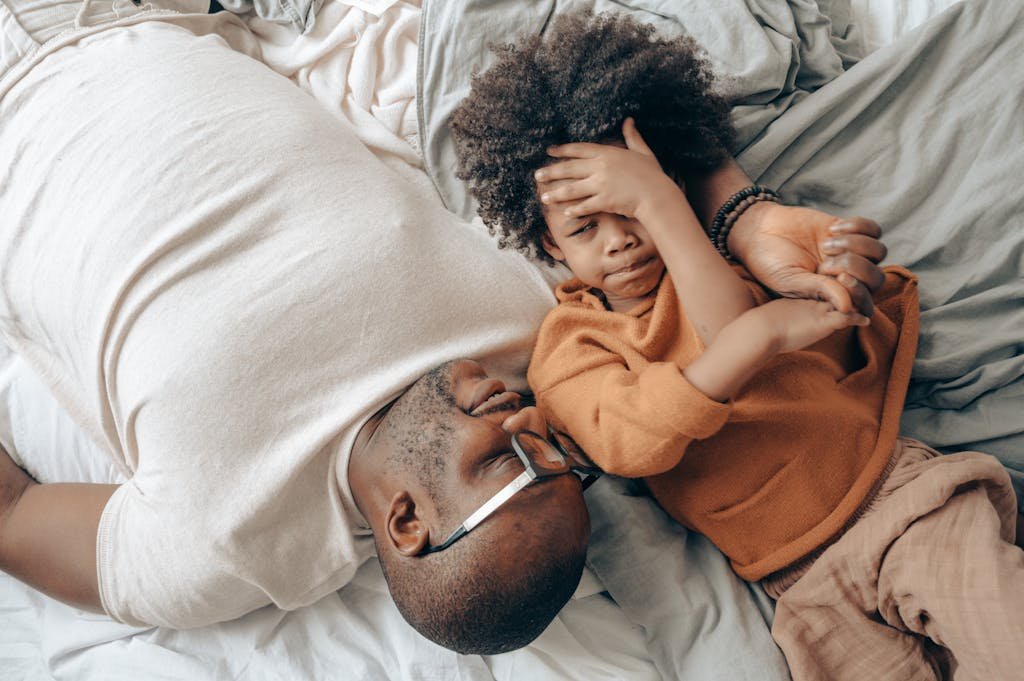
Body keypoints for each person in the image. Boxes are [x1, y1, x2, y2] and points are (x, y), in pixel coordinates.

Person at [0, 0, 885, 658]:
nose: (523, 419)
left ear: (408, 523)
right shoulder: (531, 331)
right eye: (550, 450)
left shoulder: (222, 543)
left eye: (503, 460)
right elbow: (614, 170)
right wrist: (743, 215)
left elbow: (14, 514)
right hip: (165, 18)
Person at [451, 10, 1024, 679]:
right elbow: (625, 440)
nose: (622, 239)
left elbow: (729, 331)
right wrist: (758, 328)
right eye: (586, 226)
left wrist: (667, 207)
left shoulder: (712, 258)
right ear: (547, 243)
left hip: (898, 502)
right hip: (801, 587)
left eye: (637, 210)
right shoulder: (569, 344)